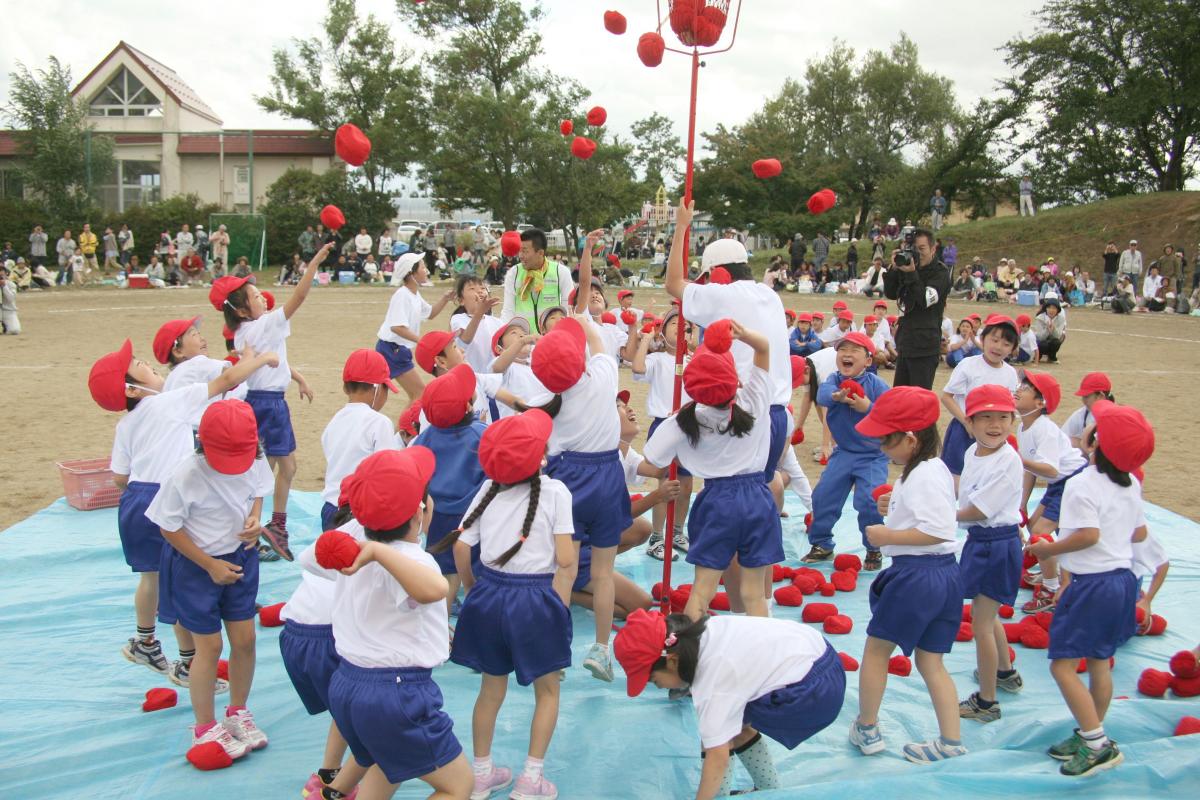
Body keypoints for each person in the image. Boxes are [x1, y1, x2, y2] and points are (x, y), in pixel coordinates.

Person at [433, 410, 576, 800]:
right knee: (547, 691)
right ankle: (531, 778)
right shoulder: (556, 493)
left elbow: (462, 547)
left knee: (490, 689)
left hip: (489, 595)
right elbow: (565, 560)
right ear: (541, 456)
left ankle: (481, 773)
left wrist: (471, 586)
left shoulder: (489, 488)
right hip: (534, 598)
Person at [316, 448, 474, 800]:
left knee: (387, 762)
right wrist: (379, 552)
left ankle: (333, 794)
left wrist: (372, 550)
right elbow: (435, 589)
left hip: (348, 684)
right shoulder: (407, 559)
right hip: (395, 693)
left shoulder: (353, 547)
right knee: (459, 786)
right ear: (421, 511)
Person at [1025, 402, 1154, 777]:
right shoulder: (1129, 483)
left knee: (1062, 666)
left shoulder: (1083, 481)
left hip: (1094, 585)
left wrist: (1048, 549)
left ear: (1096, 442)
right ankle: (1089, 732)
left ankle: (1097, 744)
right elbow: (1140, 533)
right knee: (1099, 662)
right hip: (1122, 582)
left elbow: (1087, 536)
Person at [146, 399, 275, 760]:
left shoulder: (257, 459)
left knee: (246, 639)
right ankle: (205, 727)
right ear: (203, 442)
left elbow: (258, 493)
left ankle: (238, 712)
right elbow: (167, 526)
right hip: (195, 565)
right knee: (210, 647)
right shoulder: (187, 474)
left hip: (240, 558)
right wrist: (208, 564)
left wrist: (254, 522)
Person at [850, 386, 966, 764]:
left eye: (887, 439)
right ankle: (950, 742)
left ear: (911, 439)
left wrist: (887, 535)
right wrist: (892, 503)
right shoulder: (926, 471)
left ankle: (866, 727)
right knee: (931, 661)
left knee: (876, 650)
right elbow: (929, 512)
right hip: (945, 577)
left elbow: (937, 530)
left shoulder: (925, 477)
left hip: (916, 575)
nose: (882, 447)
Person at [614, 609, 846, 797]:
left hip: (812, 694)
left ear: (672, 661)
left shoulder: (714, 680)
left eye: (655, 681)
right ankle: (768, 790)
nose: (661, 687)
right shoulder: (705, 632)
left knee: (716, 733)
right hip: (823, 660)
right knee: (729, 724)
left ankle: (728, 795)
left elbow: (718, 755)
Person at [641, 321, 782, 619]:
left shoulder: (683, 421)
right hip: (758, 498)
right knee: (754, 595)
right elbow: (764, 347)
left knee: (702, 590)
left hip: (717, 500)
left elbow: (653, 461)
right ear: (735, 381)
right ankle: (763, 657)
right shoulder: (755, 399)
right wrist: (742, 334)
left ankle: (688, 656)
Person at [666, 199, 793, 504]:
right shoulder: (769, 295)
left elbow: (673, 284)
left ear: (717, 274)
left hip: (745, 412)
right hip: (778, 412)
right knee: (760, 490)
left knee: (731, 497)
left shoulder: (721, 294)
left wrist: (682, 226)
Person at [215, 242, 333, 561]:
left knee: (276, 468)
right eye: (255, 297)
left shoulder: (248, 330)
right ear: (241, 310)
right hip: (267, 405)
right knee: (272, 470)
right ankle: (266, 527)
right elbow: (299, 297)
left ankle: (267, 526)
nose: (263, 299)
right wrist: (314, 265)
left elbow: (276, 361)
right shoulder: (262, 325)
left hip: (266, 402)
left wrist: (300, 378)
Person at [530, 313, 629, 682]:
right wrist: (581, 321)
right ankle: (602, 650)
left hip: (567, 480)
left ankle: (552, 651)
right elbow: (601, 346)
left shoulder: (543, 400)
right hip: (606, 477)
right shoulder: (603, 377)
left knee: (564, 570)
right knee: (604, 573)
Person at [955, 385, 1026, 724]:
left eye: (1003, 417)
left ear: (1013, 420)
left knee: (981, 623)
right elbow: (966, 495)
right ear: (970, 422)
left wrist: (936, 512)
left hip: (997, 544)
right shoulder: (974, 453)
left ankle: (986, 703)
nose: (995, 424)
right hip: (981, 542)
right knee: (989, 611)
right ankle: (1004, 672)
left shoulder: (1009, 461)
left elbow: (978, 510)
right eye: (985, 417)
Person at [801, 333, 890, 569]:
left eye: (855, 350)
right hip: (844, 453)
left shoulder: (877, 385)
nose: (847, 354)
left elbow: (888, 417)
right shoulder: (833, 379)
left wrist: (866, 407)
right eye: (842, 350)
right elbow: (821, 395)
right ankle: (822, 544)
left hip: (872, 455)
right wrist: (835, 396)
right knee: (823, 497)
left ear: (868, 361)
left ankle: (873, 547)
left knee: (869, 502)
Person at [413, 365, 489, 617]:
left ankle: (440, 625)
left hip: (435, 518)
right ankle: (478, 621)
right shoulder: (481, 435)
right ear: (468, 407)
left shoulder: (423, 439)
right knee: (476, 574)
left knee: (445, 574)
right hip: (473, 519)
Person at [1015, 371, 1089, 614]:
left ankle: (1050, 588)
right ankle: (1053, 572)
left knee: (1040, 532)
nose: (1018, 389)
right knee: (1034, 523)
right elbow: (1029, 470)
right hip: (1059, 483)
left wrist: (1019, 459)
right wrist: (1023, 503)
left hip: (1072, 480)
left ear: (1040, 403)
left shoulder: (1043, 428)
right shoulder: (1024, 426)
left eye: (1025, 388)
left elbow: (1049, 467)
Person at [631, 308, 695, 561]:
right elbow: (636, 367)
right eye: (674, 324)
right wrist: (647, 338)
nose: (681, 328)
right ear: (663, 330)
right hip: (664, 425)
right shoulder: (657, 359)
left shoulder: (693, 359)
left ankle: (677, 531)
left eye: (686, 326)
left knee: (687, 484)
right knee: (665, 483)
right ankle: (657, 536)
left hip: (690, 426)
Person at [319, 349, 400, 532]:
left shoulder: (335, 420)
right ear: (378, 388)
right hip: (359, 511)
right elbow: (386, 472)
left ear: (345, 387)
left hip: (330, 507)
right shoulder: (380, 422)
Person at [939, 315, 1020, 481]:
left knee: (986, 475)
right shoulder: (968, 365)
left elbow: (1010, 407)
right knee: (955, 476)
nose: (998, 347)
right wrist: (965, 422)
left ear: (1013, 349)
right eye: (995, 340)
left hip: (993, 432)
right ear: (982, 339)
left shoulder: (1010, 373)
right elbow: (947, 397)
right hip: (964, 430)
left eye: (1006, 344)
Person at [376, 252, 454, 401]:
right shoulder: (402, 295)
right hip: (392, 349)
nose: (427, 270)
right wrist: (422, 341)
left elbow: (430, 313)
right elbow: (396, 327)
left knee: (380, 396)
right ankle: (405, 425)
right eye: (423, 267)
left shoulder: (414, 294)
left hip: (397, 349)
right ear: (411, 273)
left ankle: (403, 425)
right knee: (419, 394)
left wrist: (445, 298)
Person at [885, 228, 951, 389]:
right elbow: (891, 293)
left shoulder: (941, 273)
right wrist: (894, 269)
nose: (918, 253)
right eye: (915, 248)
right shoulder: (908, 266)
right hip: (906, 341)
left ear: (933, 249)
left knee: (919, 399)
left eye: (922, 248)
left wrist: (912, 274)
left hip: (925, 346)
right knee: (899, 397)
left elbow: (924, 300)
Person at [156, 316, 250, 428]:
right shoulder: (196, 364)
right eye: (194, 335)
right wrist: (250, 354)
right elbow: (233, 376)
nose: (202, 338)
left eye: (199, 333)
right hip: (198, 435)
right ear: (178, 351)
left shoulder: (173, 377)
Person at [501, 228, 575, 330]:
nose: (521, 256)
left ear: (540, 253)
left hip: (551, 338)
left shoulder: (560, 272)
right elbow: (508, 310)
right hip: (524, 340)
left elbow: (568, 308)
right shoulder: (513, 273)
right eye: (520, 251)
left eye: (525, 251)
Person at [1063, 372, 1114, 451]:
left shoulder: (1115, 418)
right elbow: (1061, 437)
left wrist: (1081, 444)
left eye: (1086, 396)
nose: (1083, 401)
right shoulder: (1083, 414)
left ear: (1101, 396)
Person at [0, 267, 20, 334]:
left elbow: (10, 299)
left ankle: (5, 326)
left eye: (2, 275)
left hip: (7, 310)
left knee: (15, 330)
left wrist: (4, 286)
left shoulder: (11, 284)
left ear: (6, 274)